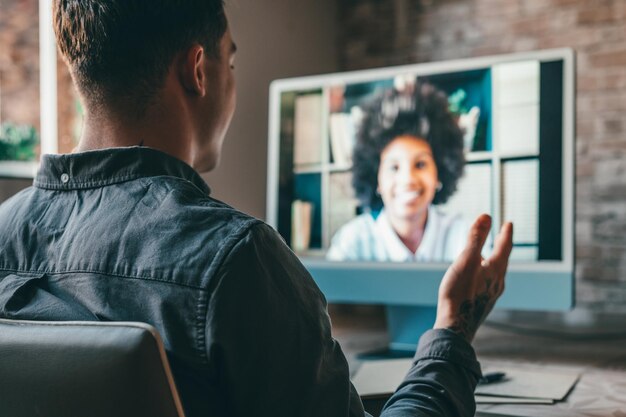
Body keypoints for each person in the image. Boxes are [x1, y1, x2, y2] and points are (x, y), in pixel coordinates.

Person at [0, 1, 513, 416]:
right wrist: (452, 332)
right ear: (198, 71)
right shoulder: (235, 259)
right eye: (231, 60)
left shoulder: (5, 231)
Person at [328, 82, 468, 262]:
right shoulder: (352, 243)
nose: (407, 179)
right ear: (376, 178)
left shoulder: (463, 238)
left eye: (420, 164)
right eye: (394, 167)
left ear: (439, 173)